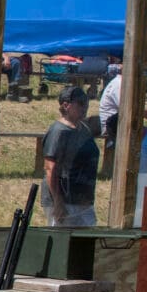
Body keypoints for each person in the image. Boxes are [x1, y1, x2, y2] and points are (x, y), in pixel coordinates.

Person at [41, 85, 100, 228]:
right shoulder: (58, 131)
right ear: (66, 105)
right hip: (65, 201)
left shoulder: (84, 129)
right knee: (62, 244)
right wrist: (58, 202)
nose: (85, 107)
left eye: (86, 102)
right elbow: (50, 168)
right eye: (80, 103)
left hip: (83, 201)